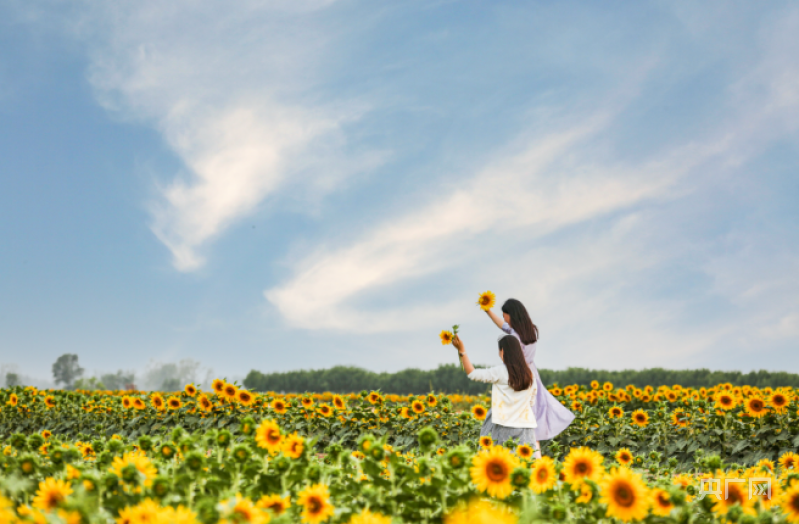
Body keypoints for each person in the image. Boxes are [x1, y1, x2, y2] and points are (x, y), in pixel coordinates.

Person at [483, 298, 574, 458]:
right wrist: (488, 311)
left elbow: (513, 357)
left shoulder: (515, 338)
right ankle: (535, 459)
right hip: (531, 375)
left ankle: (510, 455)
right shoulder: (529, 330)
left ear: (511, 315)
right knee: (532, 419)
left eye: (505, 315)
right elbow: (502, 325)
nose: (504, 318)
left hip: (518, 375)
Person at [452, 334, 537, 446]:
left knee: (501, 458)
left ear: (502, 351)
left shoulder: (500, 371)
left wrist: (462, 351)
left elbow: (472, 373)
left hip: (504, 424)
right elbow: (531, 402)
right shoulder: (529, 374)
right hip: (526, 426)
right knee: (524, 461)